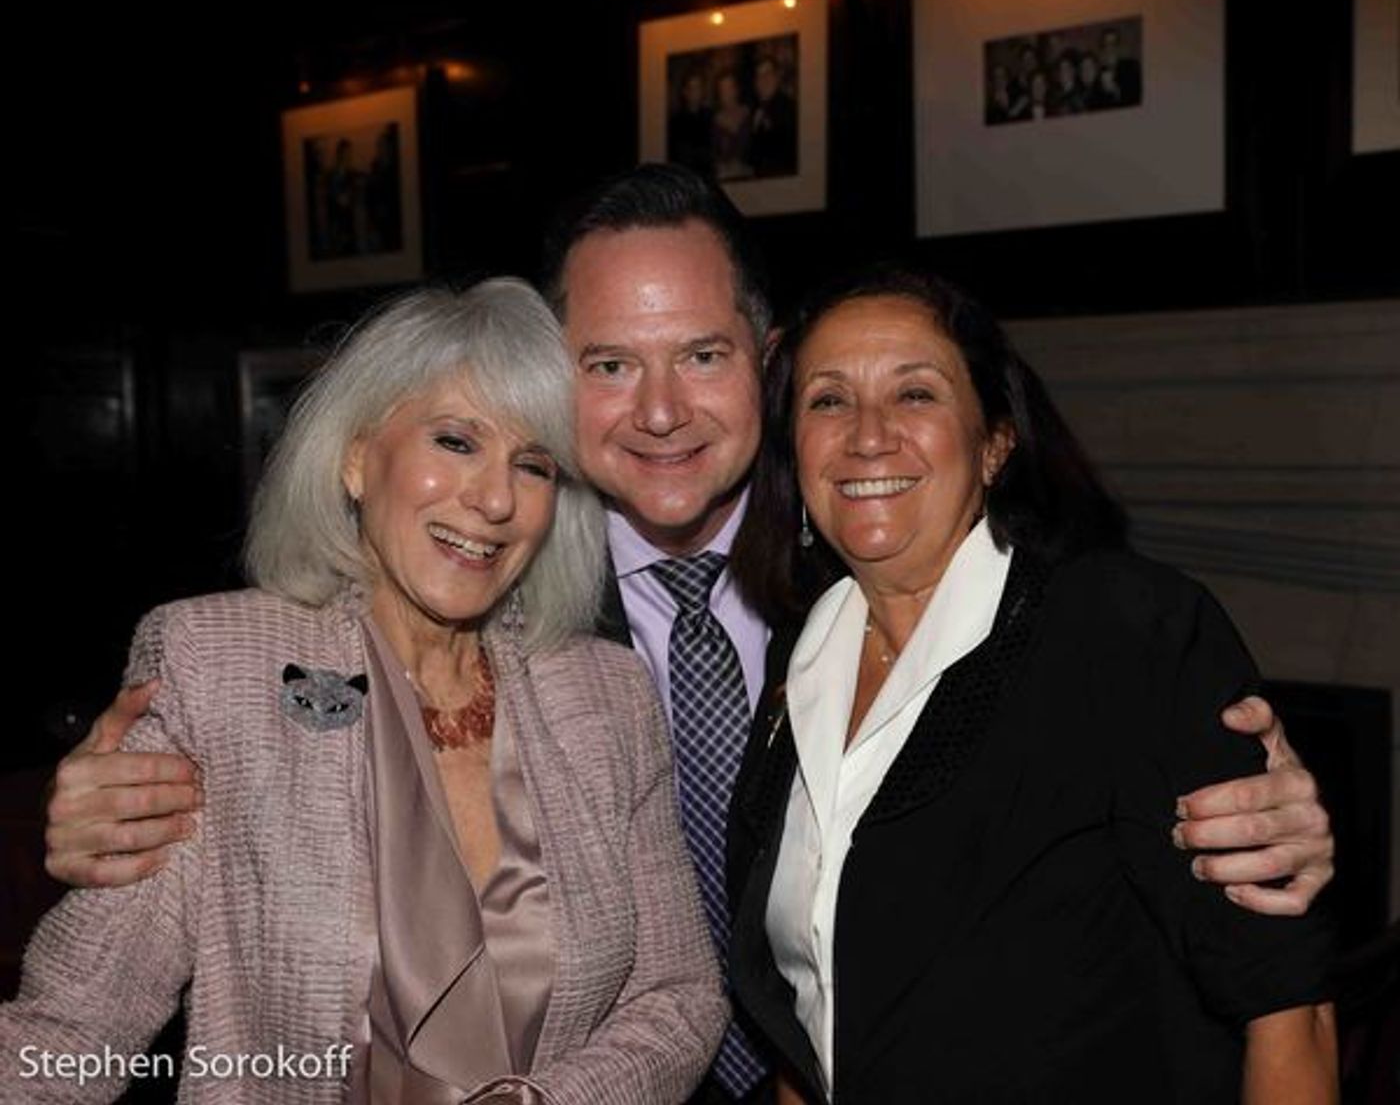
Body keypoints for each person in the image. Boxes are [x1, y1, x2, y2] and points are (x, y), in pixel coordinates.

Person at [43, 167, 1337, 1102]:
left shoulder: (860, 568)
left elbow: (1184, 877)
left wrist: (1276, 819)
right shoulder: (527, 617)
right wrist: (103, 815)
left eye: (703, 356)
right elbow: (94, 1007)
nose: (659, 412)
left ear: (767, 366)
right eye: (606, 366)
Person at [4, 280, 727, 1102]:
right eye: (456, 442)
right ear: (356, 458)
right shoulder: (218, 667)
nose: (494, 500)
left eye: (532, 465)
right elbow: (72, 1027)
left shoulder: (608, 695)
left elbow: (679, 998)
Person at [726, 265, 1337, 1103]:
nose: (868, 435)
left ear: (995, 444)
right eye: (828, 400)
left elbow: (1288, 1010)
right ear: (795, 448)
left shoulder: (1124, 629)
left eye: (916, 395)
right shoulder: (799, 659)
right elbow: (812, 1011)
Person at [749, 56, 797, 178]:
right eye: (759, 76)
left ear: (777, 77)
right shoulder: (753, 110)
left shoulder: (789, 107)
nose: (763, 80)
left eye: (768, 74)